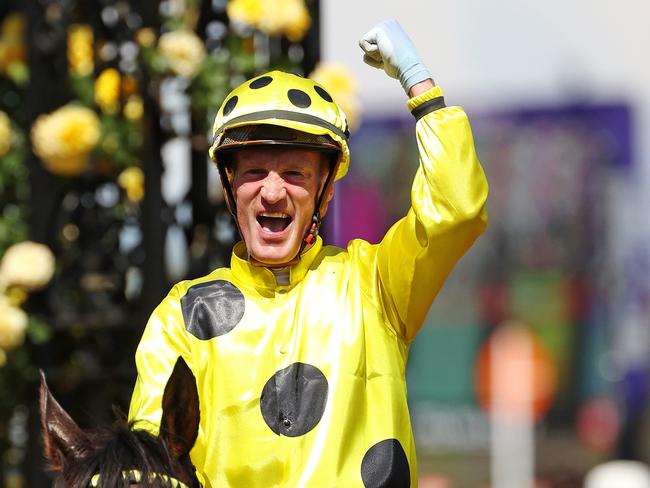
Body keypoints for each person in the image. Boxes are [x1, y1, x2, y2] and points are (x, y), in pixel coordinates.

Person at [128, 20, 488, 487]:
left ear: (325, 191)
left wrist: (419, 84)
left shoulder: (374, 285)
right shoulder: (182, 316)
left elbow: (457, 210)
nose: (273, 192)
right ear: (230, 187)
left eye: (295, 173)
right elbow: (150, 465)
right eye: (255, 171)